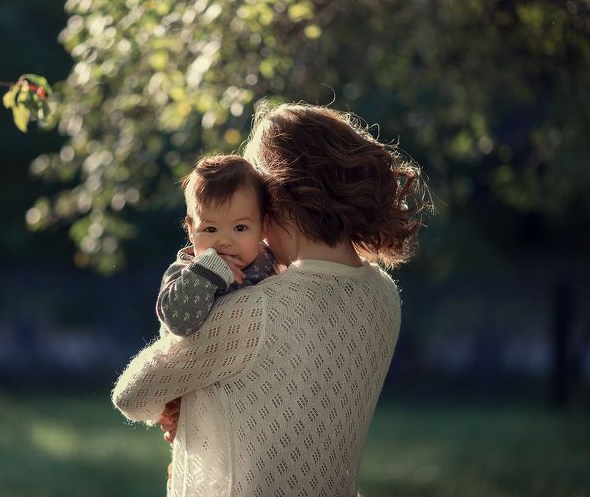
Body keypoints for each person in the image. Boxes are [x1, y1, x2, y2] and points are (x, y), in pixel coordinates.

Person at [113, 101, 426, 496]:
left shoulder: (256, 309)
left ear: (276, 198)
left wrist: (184, 402)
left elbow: (133, 394)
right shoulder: (383, 295)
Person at [156, 154, 278, 338]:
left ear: (263, 227)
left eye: (240, 228)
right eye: (211, 229)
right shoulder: (185, 272)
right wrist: (207, 271)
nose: (224, 241)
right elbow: (179, 325)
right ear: (191, 230)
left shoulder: (270, 260)